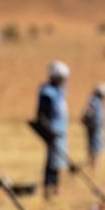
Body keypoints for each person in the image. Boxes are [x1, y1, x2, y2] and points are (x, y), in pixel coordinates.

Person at [35, 61, 70, 200]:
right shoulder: (47, 92)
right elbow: (41, 115)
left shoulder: (60, 92)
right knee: (52, 163)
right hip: (53, 133)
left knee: (58, 163)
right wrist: (49, 133)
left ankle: (56, 189)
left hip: (60, 133)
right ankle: (48, 192)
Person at [81, 82, 105, 169]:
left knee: (96, 148)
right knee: (94, 148)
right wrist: (93, 124)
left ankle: (94, 165)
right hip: (94, 129)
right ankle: (93, 166)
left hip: (98, 128)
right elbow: (88, 114)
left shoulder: (98, 102)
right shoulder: (94, 101)